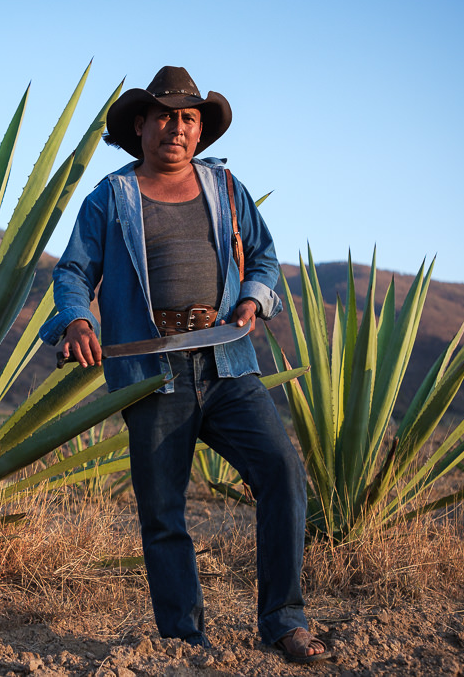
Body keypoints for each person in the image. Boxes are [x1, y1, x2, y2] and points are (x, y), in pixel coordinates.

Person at [39, 66, 331, 663]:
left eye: (189, 118)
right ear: (141, 125)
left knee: (282, 472)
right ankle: (184, 640)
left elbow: (266, 259)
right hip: (153, 376)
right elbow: (73, 273)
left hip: (229, 366)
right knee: (164, 513)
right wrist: (77, 321)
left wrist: (254, 296)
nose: (177, 128)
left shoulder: (226, 191)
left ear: (201, 130)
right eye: (166, 117)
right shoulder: (110, 198)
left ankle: (283, 620)